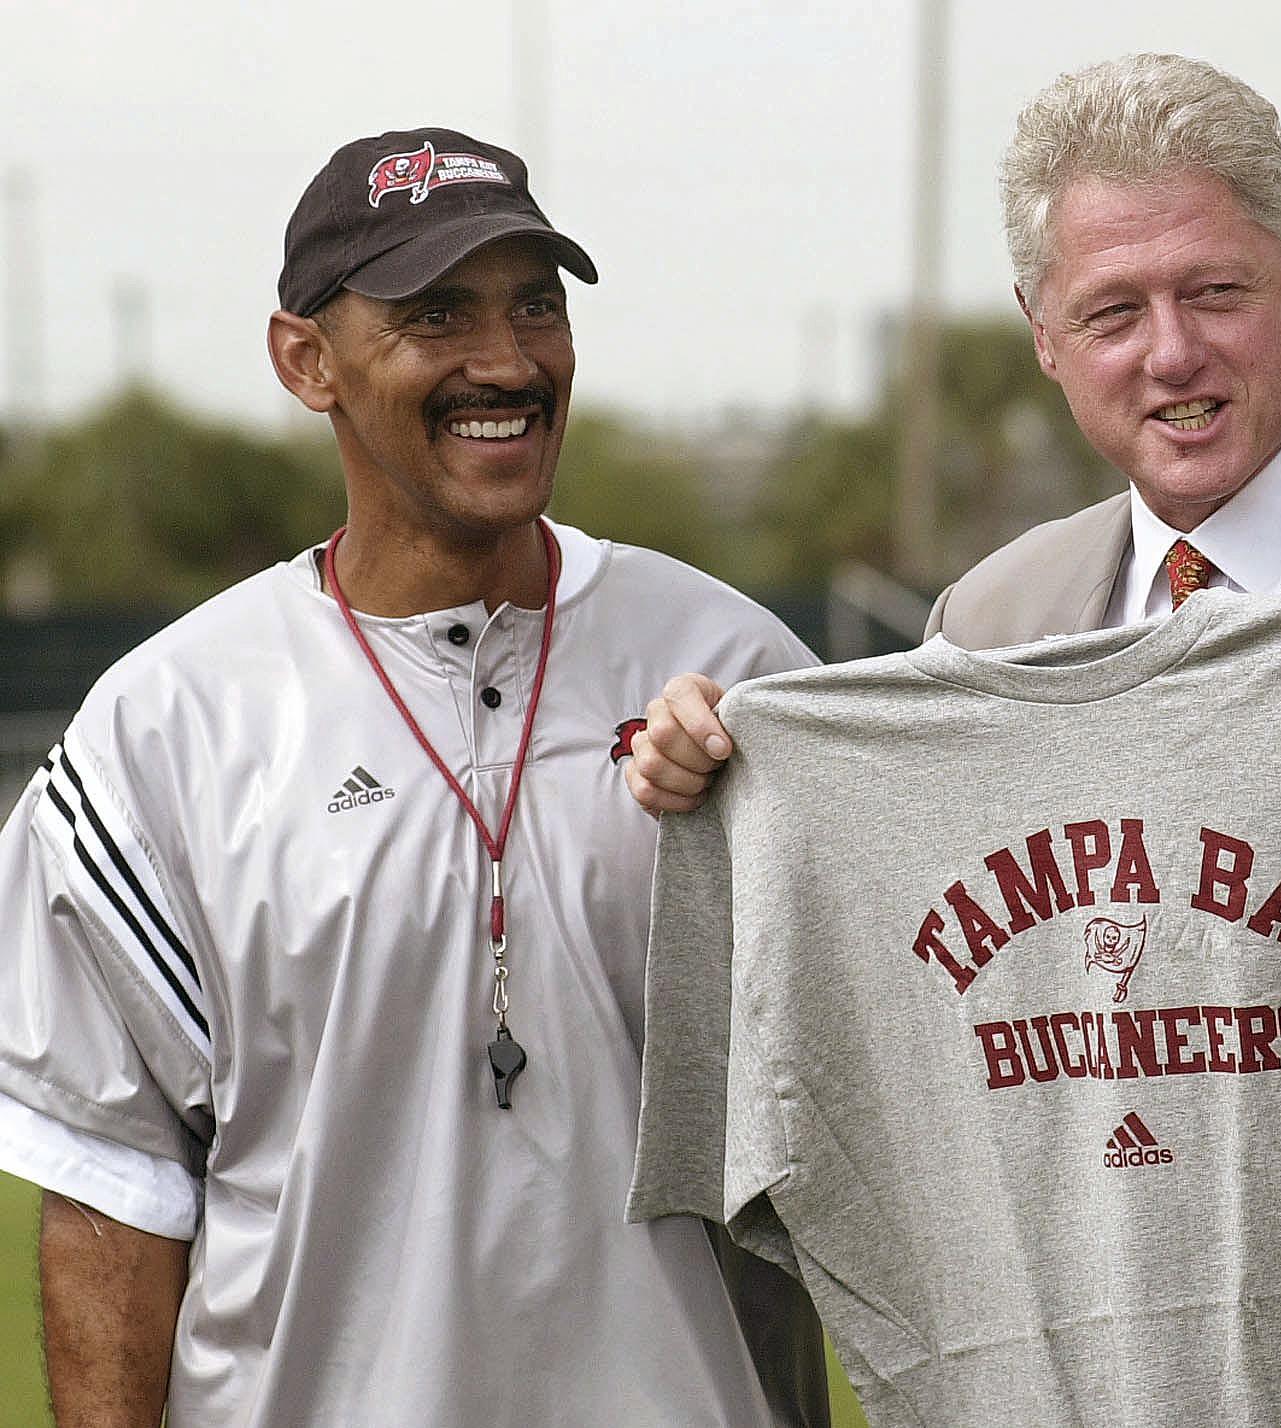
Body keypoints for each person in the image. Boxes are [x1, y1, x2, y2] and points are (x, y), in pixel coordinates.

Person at [629, 52, 1281, 1165]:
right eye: (1112, 312)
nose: (1172, 352)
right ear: (1043, 334)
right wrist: (739, 786)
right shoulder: (986, 626)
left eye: (1215, 291)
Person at [0, 128, 826, 1425]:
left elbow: (876, 1146)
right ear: (305, 360)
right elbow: (115, 1198)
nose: (506, 361)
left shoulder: (742, 674)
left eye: (536, 307)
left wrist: (776, 799)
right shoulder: (165, 729)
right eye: (437, 312)